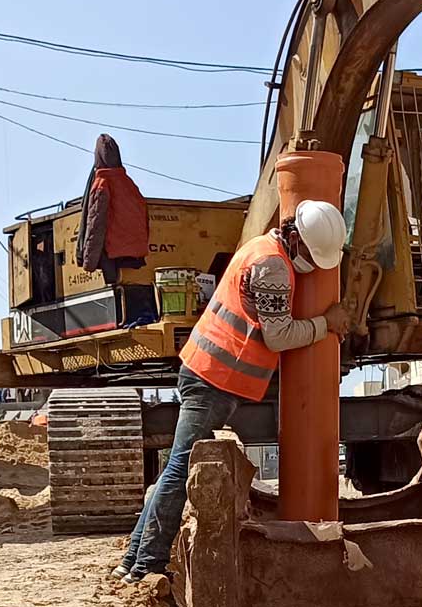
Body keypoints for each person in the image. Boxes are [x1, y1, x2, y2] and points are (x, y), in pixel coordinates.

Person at [116, 199, 348, 582]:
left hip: (210, 374)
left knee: (177, 467)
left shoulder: (260, 247)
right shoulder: (273, 266)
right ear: (295, 238)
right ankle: (145, 567)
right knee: (179, 471)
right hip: (214, 379)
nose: (311, 262)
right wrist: (327, 323)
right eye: (309, 253)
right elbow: (279, 336)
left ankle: (133, 562)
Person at [76, 134, 149, 288]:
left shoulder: (101, 184)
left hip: (112, 255)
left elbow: (95, 225)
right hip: (134, 252)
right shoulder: (129, 184)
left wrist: (88, 261)